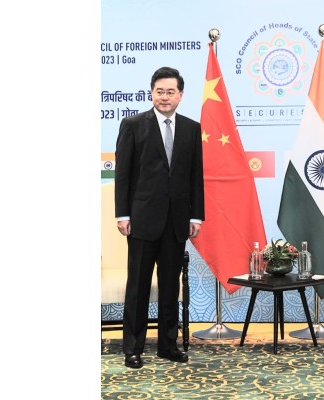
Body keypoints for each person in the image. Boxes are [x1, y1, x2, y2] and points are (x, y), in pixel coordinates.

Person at [115, 66, 205, 369]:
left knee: (170, 287)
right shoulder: (133, 125)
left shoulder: (192, 129)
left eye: (171, 92)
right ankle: (133, 348)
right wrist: (123, 214)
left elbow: (196, 177)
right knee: (138, 286)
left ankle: (168, 345)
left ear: (180, 95)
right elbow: (123, 176)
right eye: (159, 91)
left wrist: (197, 217)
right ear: (151, 92)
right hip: (141, 220)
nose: (164, 97)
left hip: (177, 222)